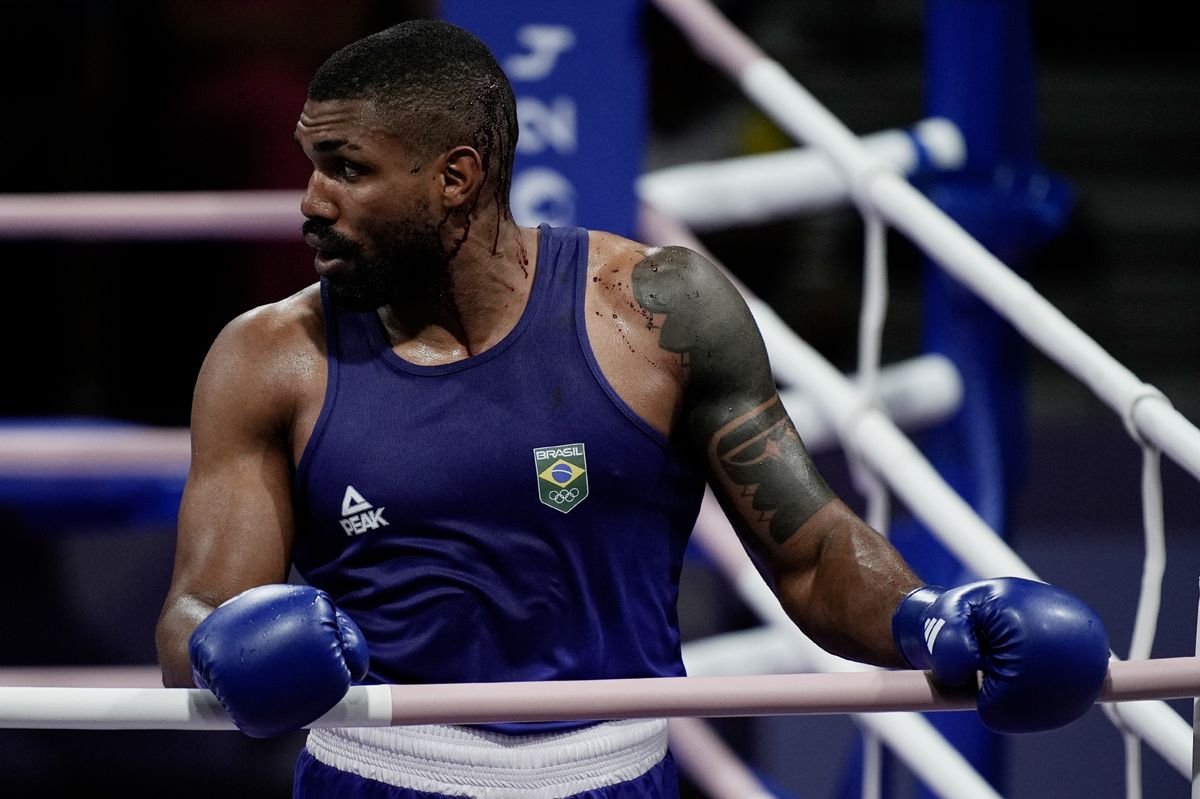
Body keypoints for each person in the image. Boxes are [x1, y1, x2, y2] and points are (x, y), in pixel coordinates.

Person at [156, 18, 1112, 799]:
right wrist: (228, 644)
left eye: (346, 168)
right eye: (310, 164)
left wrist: (926, 620)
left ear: (455, 177)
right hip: (378, 771)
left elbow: (810, 551)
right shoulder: (271, 356)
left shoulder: (656, 312)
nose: (310, 201)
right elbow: (197, 612)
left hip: (615, 774)